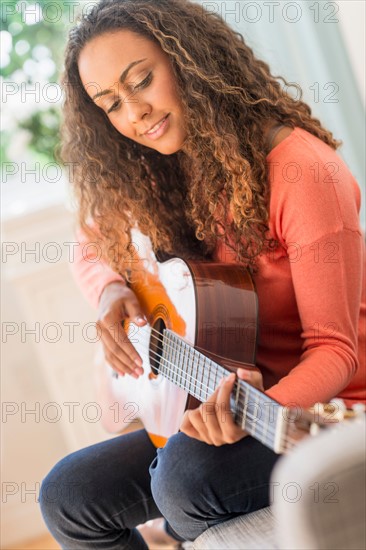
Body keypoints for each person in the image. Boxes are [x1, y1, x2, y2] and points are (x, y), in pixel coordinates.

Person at [39, 0, 366, 548]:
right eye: (111, 104)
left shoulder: (304, 173)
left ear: (190, 60)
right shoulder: (153, 170)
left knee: (184, 482)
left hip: (320, 410)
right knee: (68, 496)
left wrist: (257, 410)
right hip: (211, 399)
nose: (135, 114)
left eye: (141, 80)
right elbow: (91, 245)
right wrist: (110, 292)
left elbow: (336, 350)